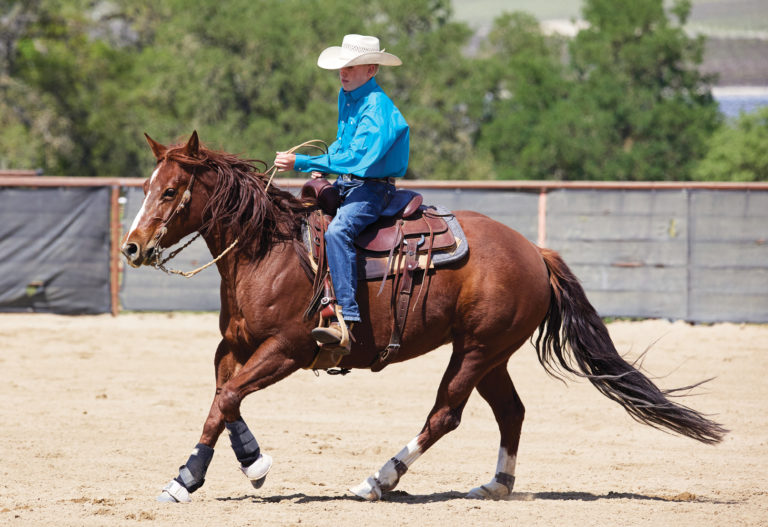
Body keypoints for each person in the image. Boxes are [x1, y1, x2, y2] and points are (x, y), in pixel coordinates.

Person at [274, 34, 409, 350]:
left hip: (374, 189)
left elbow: (360, 157)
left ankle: (345, 317)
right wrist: (323, 165)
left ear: (371, 69)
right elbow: (342, 143)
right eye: (342, 67)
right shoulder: (346, 95)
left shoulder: (378, 108)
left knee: (338, 233)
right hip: (350, 183)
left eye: (351, 67)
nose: (343, 73)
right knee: (302, 219)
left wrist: (304, 162)